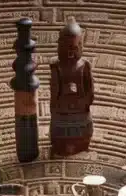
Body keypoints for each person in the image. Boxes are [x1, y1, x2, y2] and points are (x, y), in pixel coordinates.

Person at [50, 19, 94, 156]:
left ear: (80, 45)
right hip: (62, 108)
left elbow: (90, 88)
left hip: (80, 107)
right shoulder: (56, 66)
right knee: (60, 128)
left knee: (82, 128)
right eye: (68, 47)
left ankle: (82, 144)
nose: (71, 52)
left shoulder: (84, 65)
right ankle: (60, 145)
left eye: (74, 48)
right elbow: (54, 89)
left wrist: (86, 101)